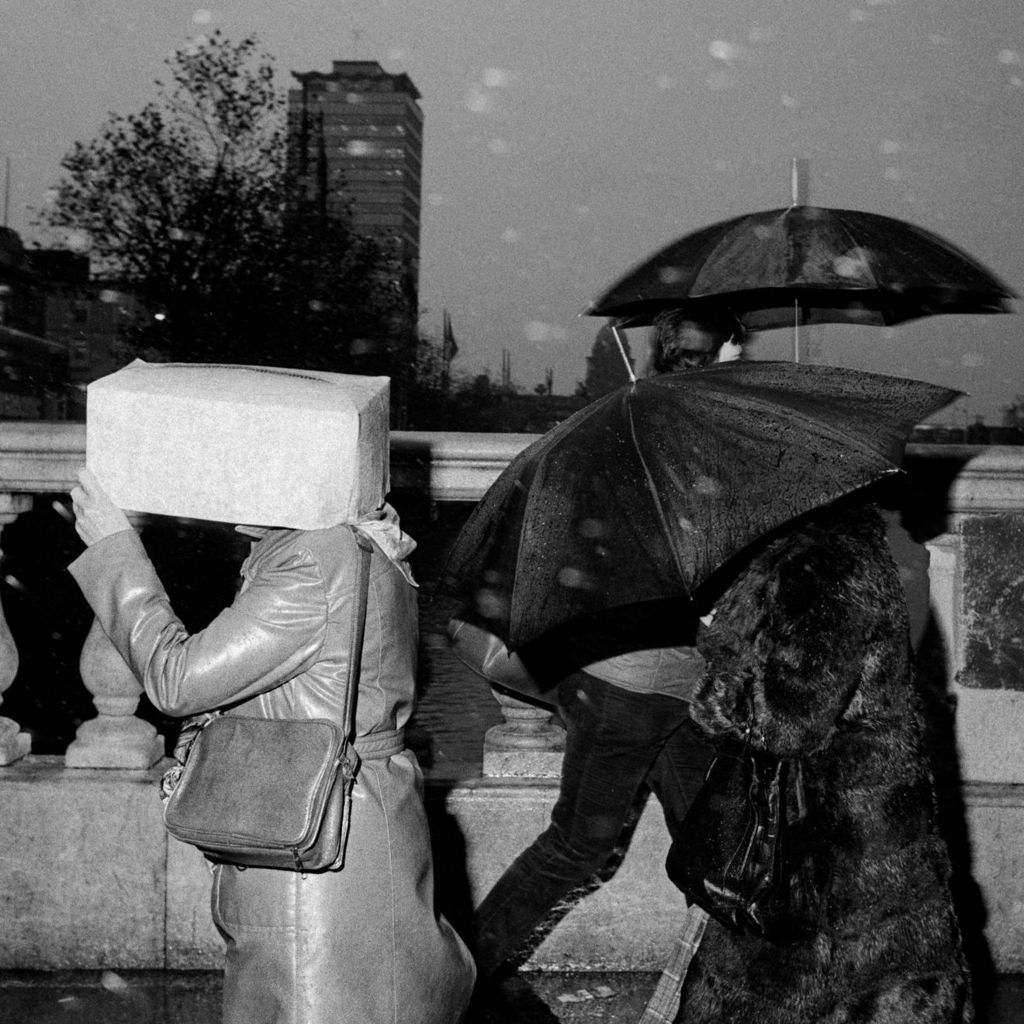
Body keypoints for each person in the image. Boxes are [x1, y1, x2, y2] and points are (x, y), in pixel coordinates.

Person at [68, 468, 475, 1024]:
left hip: (313, 856)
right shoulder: (351, 537)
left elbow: (177, 679)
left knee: (312, 1003)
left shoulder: (310, 561)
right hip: (352, 821)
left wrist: (116, 550)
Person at [468, 308, 740, 981]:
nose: (744, 358)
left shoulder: (643, 429)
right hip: (630, 684)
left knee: (719, 854)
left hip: (669, 684)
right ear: (715, 353)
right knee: (576, 850)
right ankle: (459, 974)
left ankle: (744, 987)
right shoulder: (678, 442)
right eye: (737, 347)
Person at [669, 498, 972, 1024]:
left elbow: (787, 722)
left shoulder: (821, 560)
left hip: (818, 837)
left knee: (794, 987)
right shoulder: (865, 548)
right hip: (871, 821)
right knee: (884, 983)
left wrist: (721, 676)